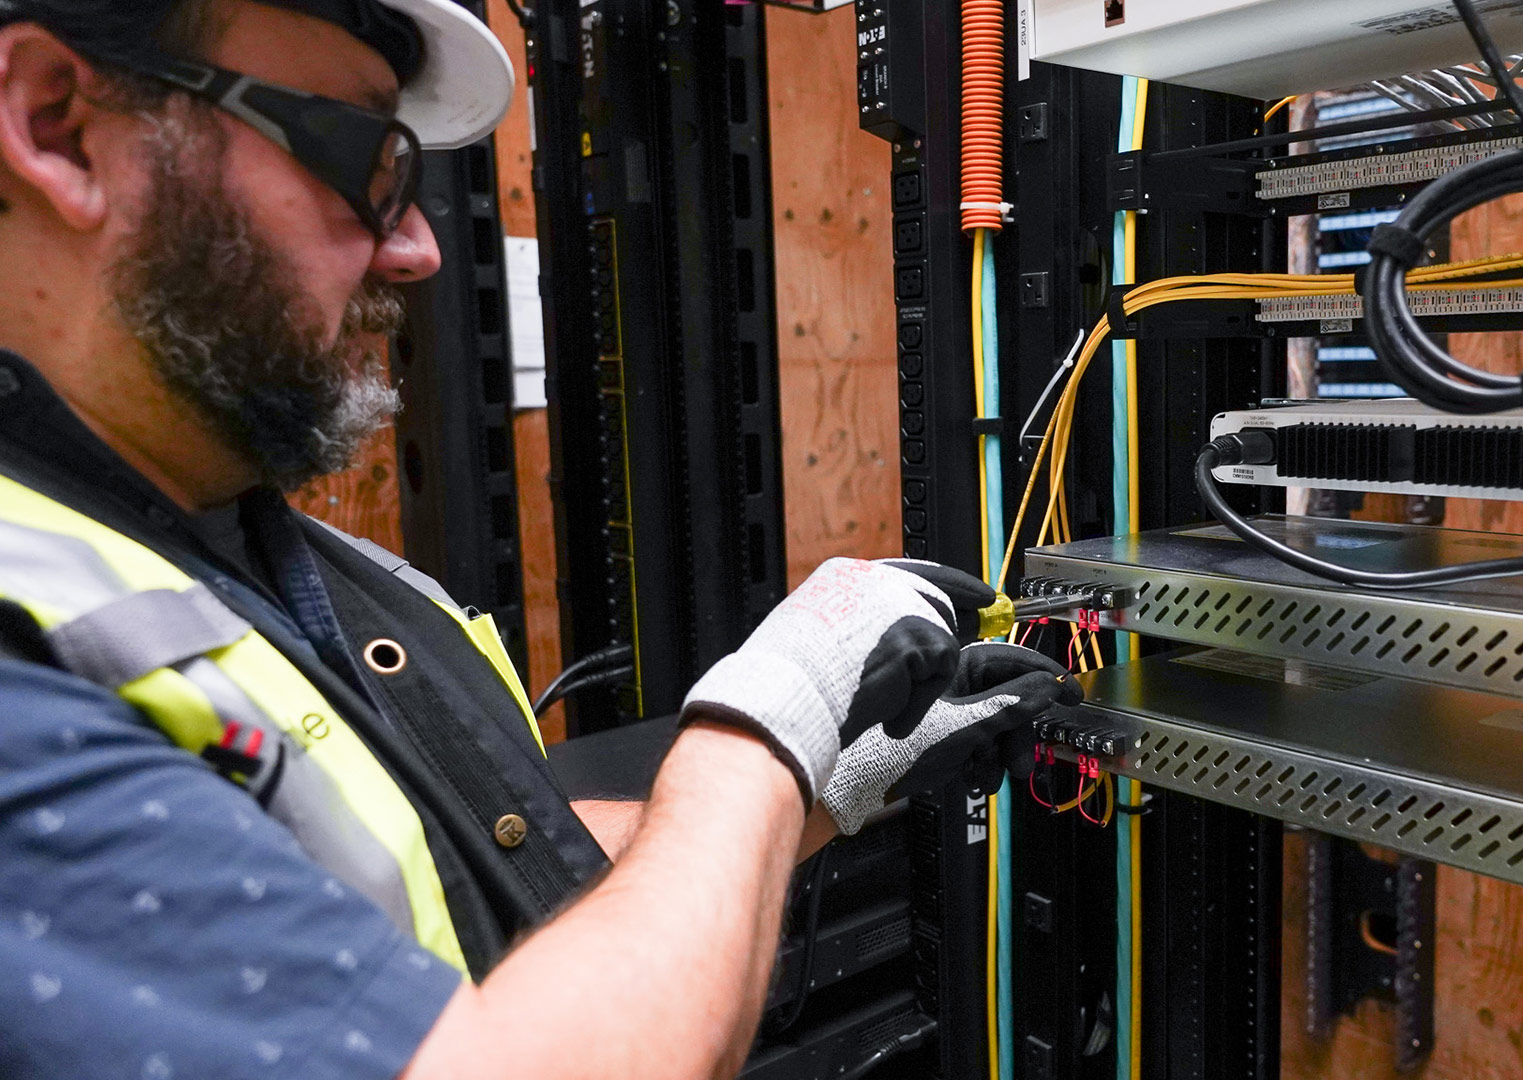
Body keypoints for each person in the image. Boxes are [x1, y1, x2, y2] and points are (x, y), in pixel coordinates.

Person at [0, 1, 1078, 1077]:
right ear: (59, 124)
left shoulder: (276, 558)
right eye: (359, 156)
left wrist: (829, 783)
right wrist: (773, 722)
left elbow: (497, 878)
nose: (418, 247)